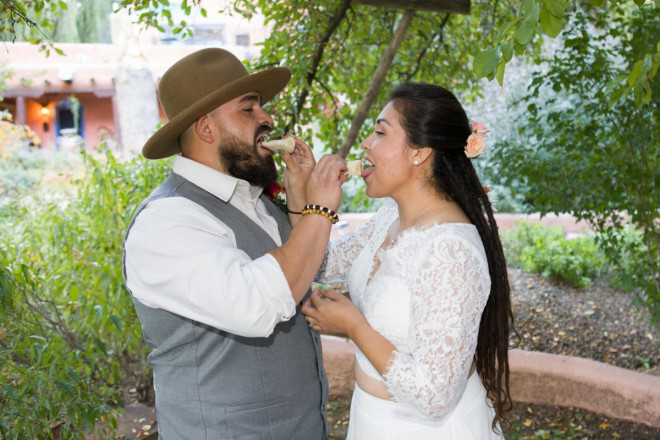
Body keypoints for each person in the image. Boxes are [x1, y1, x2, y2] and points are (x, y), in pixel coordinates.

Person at [122, 48, 346, 439]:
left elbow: (306, 270)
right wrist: (319, 210)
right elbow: (257, 305)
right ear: (206, 129)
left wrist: (297, 203)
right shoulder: (166, 222)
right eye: (249, 109)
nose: (268, 118)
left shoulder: (257, 201)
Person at [302, 82, 514, 439]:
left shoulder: (451, 249)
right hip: (371, 421)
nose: (366, 144)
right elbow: (323, 264)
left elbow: (435, 396)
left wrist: (354, 327)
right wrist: (302, 189)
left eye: (380, 133)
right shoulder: (389, 216)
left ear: (420, 153)